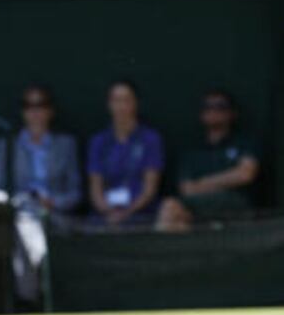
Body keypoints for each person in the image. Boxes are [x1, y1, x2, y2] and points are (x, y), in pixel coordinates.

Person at [0, 85, 81, 306]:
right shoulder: (7, 146)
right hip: (21, 214)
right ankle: (32, 297)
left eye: (41, 105)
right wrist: (8, 204)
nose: (35, 112)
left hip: (56, 214)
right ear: (23, 112)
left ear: (50, 111)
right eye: (29, 106)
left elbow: (75, 192)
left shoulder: (66, 145)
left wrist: (53, 202)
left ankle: (38, 294)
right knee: (24, 229)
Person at [156, 89, 259, 232]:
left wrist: (203, 183)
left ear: (231, 113)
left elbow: (245, 174)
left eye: (220, 107)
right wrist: (227, 179)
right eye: (208, 107)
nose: (213, 111)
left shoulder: (243, 142)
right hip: (197, 208)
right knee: (171, 209)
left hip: (235, 204)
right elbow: (187, 188)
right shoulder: (193, 149)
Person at [88, 80, 164, 225]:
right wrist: (109, 212)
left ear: (135, 103)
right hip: (105, 215)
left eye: (126, 100)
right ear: (109, 104)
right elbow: (95, 188)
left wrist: (127, 212)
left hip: (141, 213)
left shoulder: (150, 139)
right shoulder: (99, 141)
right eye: (116, 100)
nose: (121, 106)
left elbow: (149, 189)